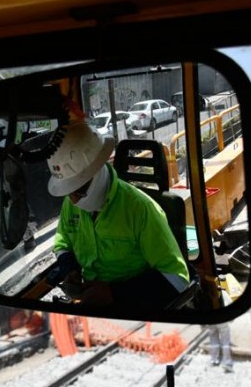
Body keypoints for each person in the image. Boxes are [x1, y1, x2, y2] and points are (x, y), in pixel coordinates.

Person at [44, 120, 190, 312]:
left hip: (134, 310)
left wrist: (115, 293)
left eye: (78, 190)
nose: (73, 200)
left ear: (97, 173)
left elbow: (177, 279)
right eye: (68, 191)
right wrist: (69, 269)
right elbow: (62, 243)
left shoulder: (141, 209)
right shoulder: (71, 205)